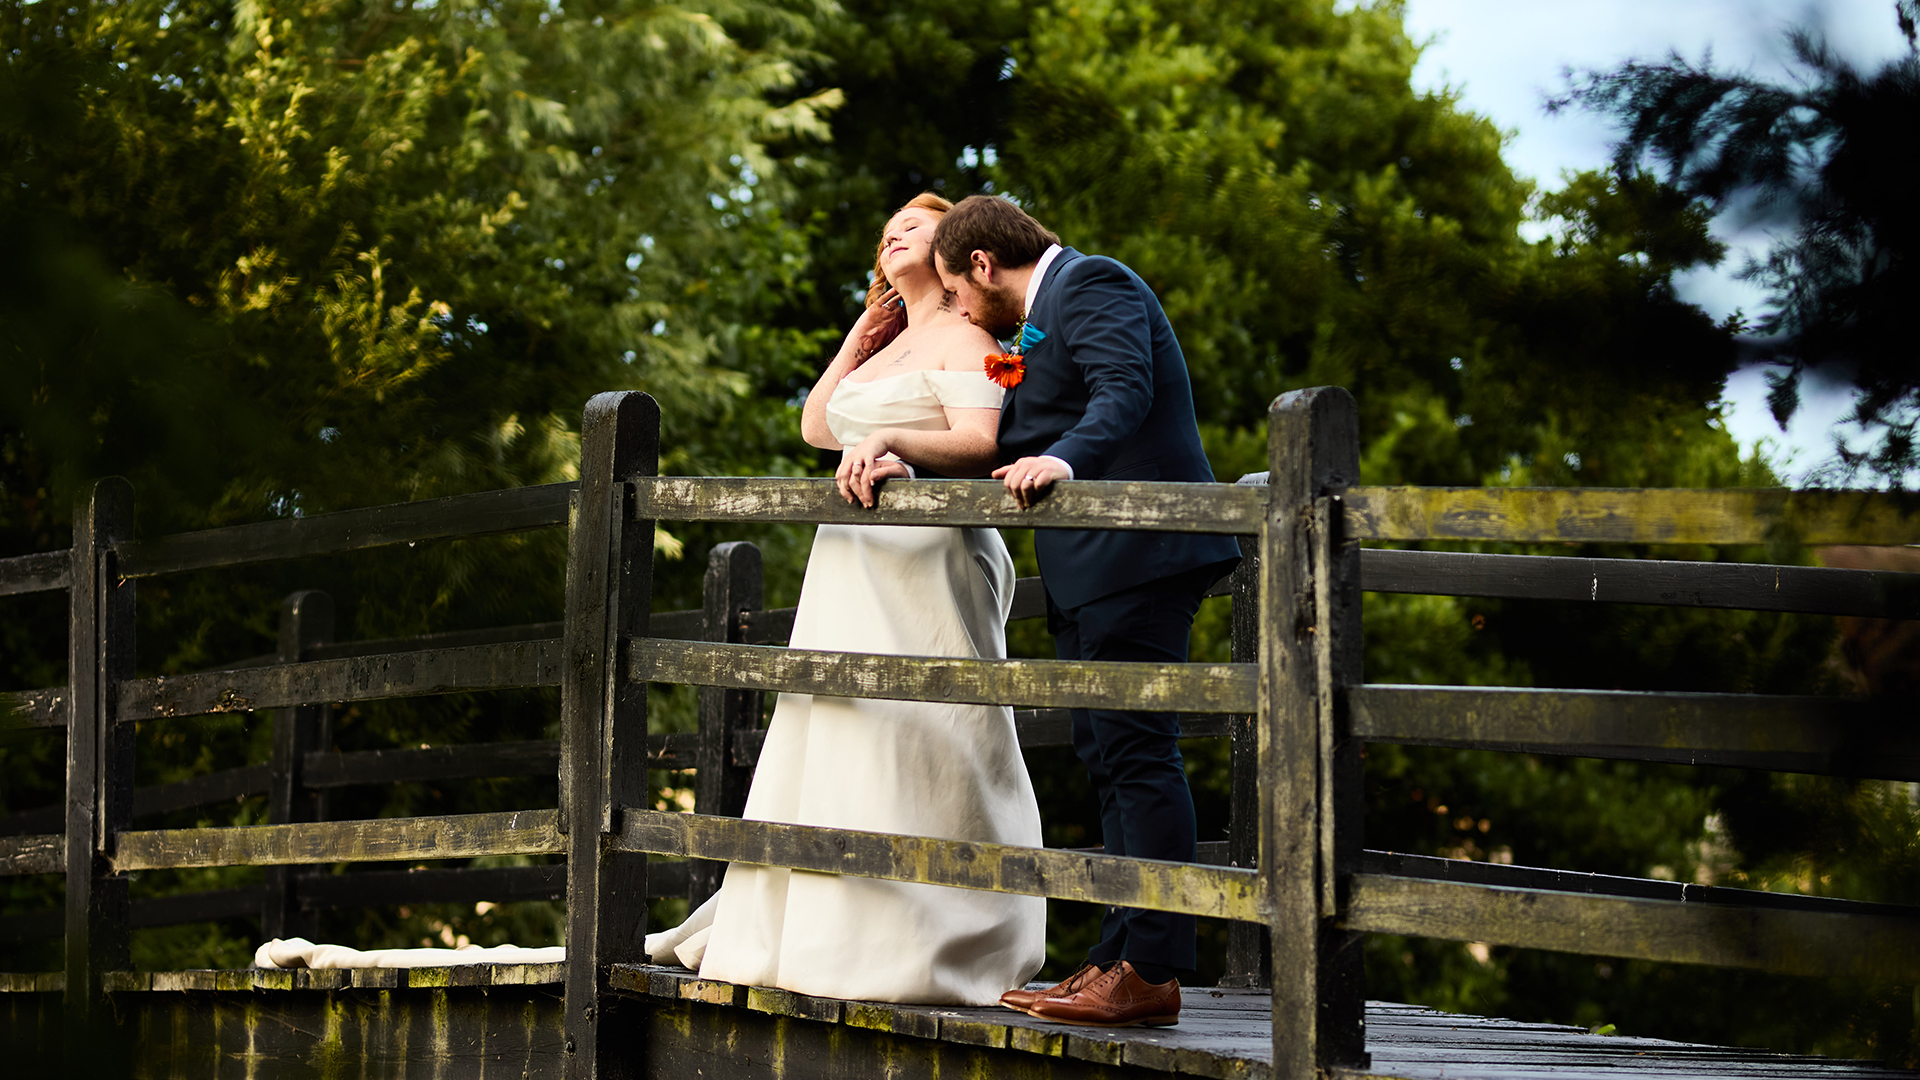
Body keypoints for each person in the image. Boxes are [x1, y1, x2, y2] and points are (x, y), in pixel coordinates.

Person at [643, 193, 1047, 1006]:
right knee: (837, 722)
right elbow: (818, 428)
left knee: (929, 724)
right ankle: (825, 925)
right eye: (887, 228)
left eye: (916, 224)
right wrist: (856, 342)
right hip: (850, 557)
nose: (894, 232)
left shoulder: (976, 338)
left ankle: (942, 930)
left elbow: (981, 443)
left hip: (926, 557)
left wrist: (894, 441)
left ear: (956, 250)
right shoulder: (887, 343)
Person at [933, 195, 1241, 1029]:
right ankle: (1112, 958)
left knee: (1139, 751)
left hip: (1141, 553)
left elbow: (1124, 390)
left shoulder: (1092, 283)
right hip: (1092, 566)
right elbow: (1013, 429)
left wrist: (1063, 459)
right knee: (1105, 752)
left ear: (983, 266)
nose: (960, 309)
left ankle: (1151, 970)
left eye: (956, 291)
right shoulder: (1038, 321)